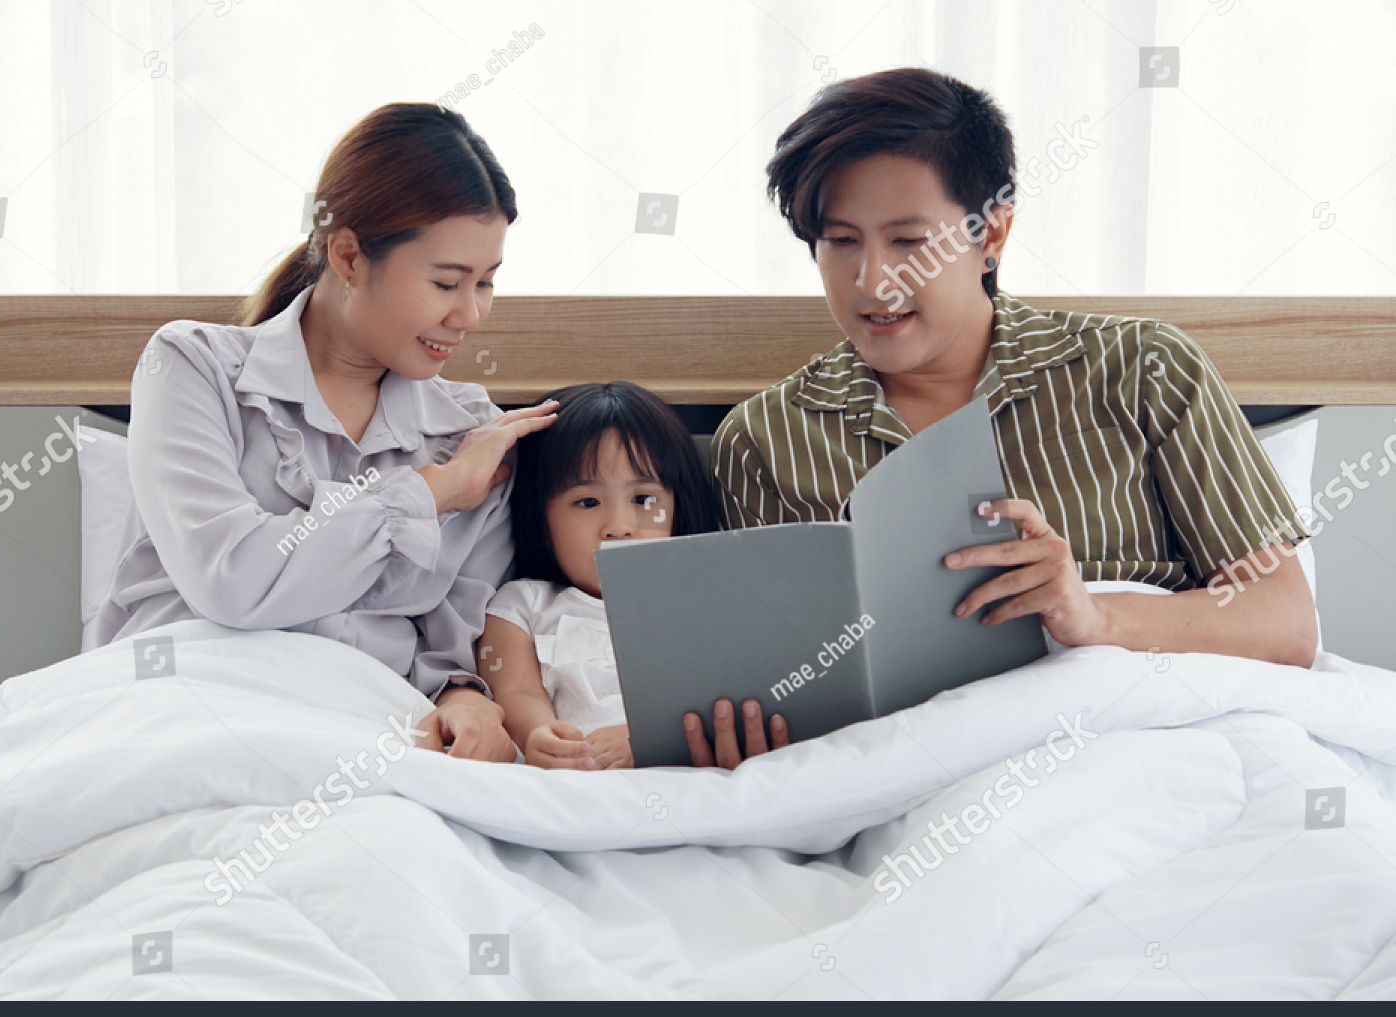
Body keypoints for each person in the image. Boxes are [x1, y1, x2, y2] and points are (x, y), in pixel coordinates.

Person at [702, 67, 1318, 768]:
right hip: (910, 776)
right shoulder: (765, 439)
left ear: (992, 231)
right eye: (841, 241)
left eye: (909, 241)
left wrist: (1092, 615)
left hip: (1144, 753)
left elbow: (1285, 621)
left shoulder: (1142, 368)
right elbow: (788, 680)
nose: (872, 281)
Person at [84, 103, 558, 761]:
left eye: (486, 282)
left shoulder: (473, 433)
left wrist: (465, 699)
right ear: (349, 256)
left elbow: (454, 644)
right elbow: (231, 580)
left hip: (364, 735)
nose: (471, 314)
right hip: (184, 712)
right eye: (447, 282)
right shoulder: (192, 366)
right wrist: (430, 493)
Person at [477, 382, 727, 769]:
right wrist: (539, 733)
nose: (619, 526)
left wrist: (648, 739)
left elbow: (729, 698)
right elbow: (516, 690)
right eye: (588, 502)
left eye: (643, 499)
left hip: (678, 773)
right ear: (541, 520)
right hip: (576, 772)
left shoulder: (705, 600)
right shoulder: (522, 604)